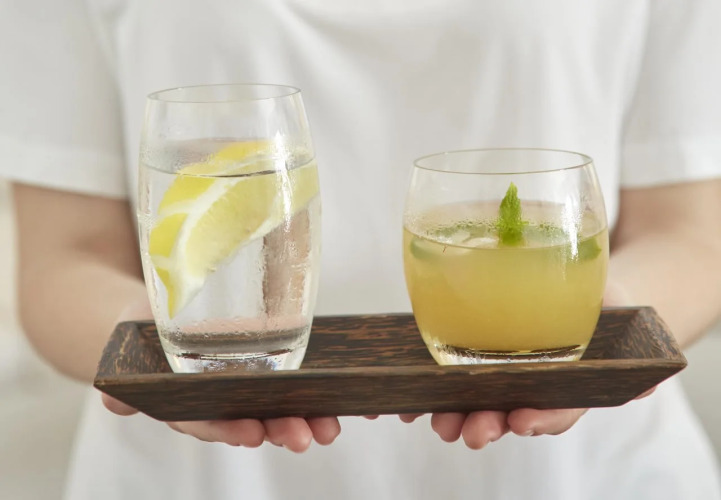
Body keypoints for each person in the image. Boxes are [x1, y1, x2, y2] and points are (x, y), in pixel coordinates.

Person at [2, 0, 720, 499]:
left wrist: (608, 324)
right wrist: (162, 355)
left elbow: (692, 234)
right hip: (193, 479)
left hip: (587, 477)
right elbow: (63, 258)